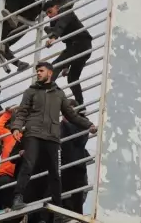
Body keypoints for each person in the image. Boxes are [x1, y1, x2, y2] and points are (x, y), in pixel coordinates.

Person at [10, 62, 97, 219]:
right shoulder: (30, 91)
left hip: (52, 137)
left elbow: (71, 115)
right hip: (34, 134)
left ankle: (57, 205)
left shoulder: (59, 94)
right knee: (28, 165)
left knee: (55, 171)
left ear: (50, 73)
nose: (38, 73)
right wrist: (16, 128)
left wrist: (89, 124)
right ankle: (18, 197)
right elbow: (22, 112)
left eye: (41, 71)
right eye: (37, 71)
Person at [43, 0, 92, 105]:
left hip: (81, 44)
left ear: (56, 7)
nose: (49, 16)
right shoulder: (55, 21)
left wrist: (53, 37)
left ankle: (48, 92)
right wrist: (67, 66)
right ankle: (81, 106)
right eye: (47, 14)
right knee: (72, 78)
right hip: (80, 47)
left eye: (50, 12)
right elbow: (68, 42)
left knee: (55, 66)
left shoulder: (66, 12)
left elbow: (62, 24)